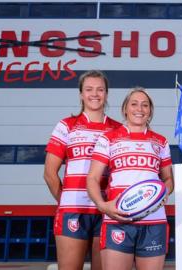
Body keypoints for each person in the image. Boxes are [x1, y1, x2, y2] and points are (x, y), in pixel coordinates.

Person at [86, 87, 174, 270]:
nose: (139, 109)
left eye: (145, 105)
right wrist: (103, 206)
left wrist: (163, 193)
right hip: (117, 219)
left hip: (154, 221)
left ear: (150, 111)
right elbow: (93, 178)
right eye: (134, 104)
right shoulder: (108, 139)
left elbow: (168, 180)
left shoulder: (161, 141)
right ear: (125, 109)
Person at [44, 70, 121, 270]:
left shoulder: (118, 130)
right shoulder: (66, 126)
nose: (94, 94)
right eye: (89, 89)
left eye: (100, 89)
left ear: (106, 93)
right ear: (81, 94)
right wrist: (66, 201)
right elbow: (50, 173)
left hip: (106, 211)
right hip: (73, 211)